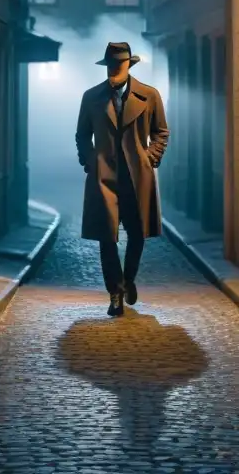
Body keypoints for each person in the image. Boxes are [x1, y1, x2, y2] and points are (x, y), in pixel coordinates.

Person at [75, 42, 170, 316]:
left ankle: (128, 279)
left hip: (137, 177)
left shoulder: (149, 96)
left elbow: (161, 132)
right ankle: (115, 292)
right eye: (111, 66)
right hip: (104, 176)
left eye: (119, 65)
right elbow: (82, 135)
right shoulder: (91, 97)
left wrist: (150, 157)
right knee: (107, 237)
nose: (115, 71)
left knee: (137, 234)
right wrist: (90, 161)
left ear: (129, 65)